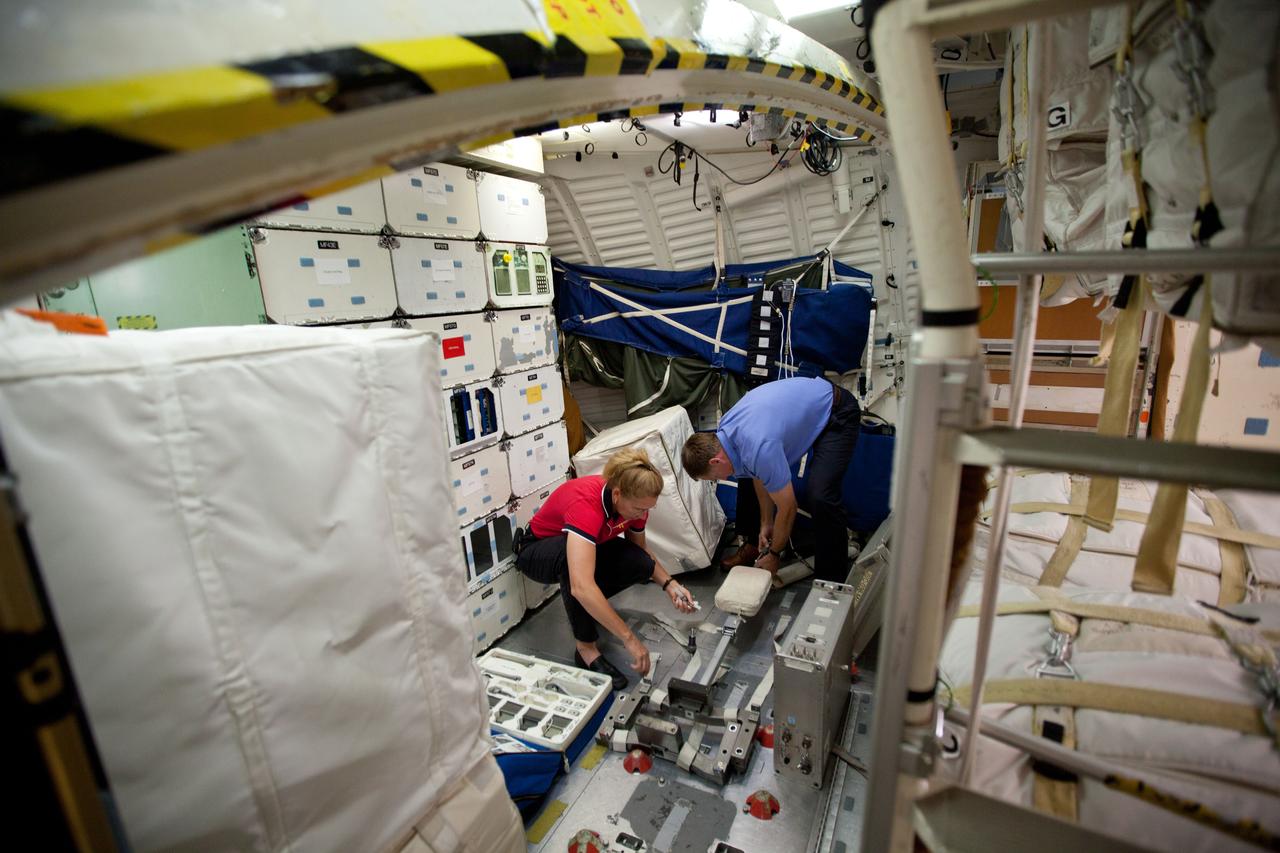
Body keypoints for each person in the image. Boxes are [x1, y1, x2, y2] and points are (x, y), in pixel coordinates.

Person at [515, 448, 697, 689]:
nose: (644, 514)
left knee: (640, 562)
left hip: (576, 550)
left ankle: (592, 605)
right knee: (577, 576)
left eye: (648, 509)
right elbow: (580, 586)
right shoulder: (586, 504)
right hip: (535, 551)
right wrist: (629, 639)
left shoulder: (636, 503)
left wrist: (670, 584)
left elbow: (639, 553)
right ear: (617, 494)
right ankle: (586, 649)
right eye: (640, 509)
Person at [681, 376, 860, 583]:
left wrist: (775, 554)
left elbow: (788, 507)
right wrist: (766, 522)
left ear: (715, 462)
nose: (719, 480)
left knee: (821, 495)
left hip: (837, 412)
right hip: (808, 411)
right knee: (746, 480)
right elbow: (757, 472)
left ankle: (832, 582)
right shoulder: (726, 434)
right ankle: (753, 543)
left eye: (713, 478)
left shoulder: (758, 446)